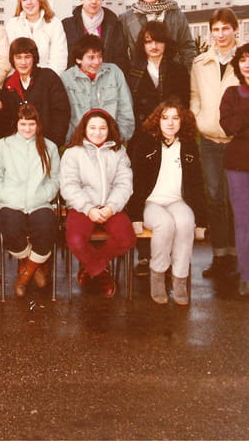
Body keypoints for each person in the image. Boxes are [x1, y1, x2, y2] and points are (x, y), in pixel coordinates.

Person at [128, 101, 207, 305]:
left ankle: (180, 280)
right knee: (165, 224)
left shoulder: (188, 144)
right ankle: (158, 277)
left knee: (185, 223)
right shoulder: (146, 143)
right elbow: (135, 181)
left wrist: (201, 220)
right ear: (158, 121)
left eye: (175, 118)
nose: (170, 123)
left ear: (182, 121)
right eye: (165, 118)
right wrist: (135, 216)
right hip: (151, 203)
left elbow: (197, 182)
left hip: (177, 201)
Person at [60, 109, 136, 298]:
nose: (97, 132)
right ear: (84, 129)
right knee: (75, 240)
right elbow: (69, 185)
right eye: (92, 127)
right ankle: (101, 273)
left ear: (109, 130)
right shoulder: (73, 153)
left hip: (111, 207)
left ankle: (89, 267)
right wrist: (88, 209)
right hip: (83, 208)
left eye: (102, 128)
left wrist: (111, 207)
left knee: (127, 238)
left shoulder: (118, 152)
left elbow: (124, 184)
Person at [0, 104, 60, 298]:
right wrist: (5, 195)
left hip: (39, 201)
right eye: (23, 124)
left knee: (46, 226)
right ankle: (34, 266)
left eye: (31, 124)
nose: (27, 128)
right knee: (10, 226)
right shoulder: (3, 145)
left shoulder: (49, 147)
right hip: (9, 201)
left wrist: (43, 195)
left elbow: (55, 179)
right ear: (16, 124)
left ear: (38, 125)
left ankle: (25, 276)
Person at [190, 8, 240, 278]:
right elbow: (195, 96)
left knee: (235, 198)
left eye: (225, 28)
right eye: (216, 29)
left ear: (235, 30)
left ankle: (237, 256)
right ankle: (220, 255)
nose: (220, 34)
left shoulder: (245, 61)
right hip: (209, 140)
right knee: (214, 196)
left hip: (237, 141)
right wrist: (199, 118)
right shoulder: (200, 63)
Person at [62, 34, 134, 143]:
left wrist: (119, 138)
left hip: (112, 141)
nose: (97, 62)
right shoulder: (66, 79)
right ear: (78, 59)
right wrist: (73, 141)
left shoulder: (114, 72)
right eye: (91, 57)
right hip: (78, 142)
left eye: (99, 56)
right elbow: (63, 116)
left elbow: (126, 109)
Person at [119, 0, 196, 71]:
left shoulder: (175, 14)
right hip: (139, 74)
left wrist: (189, 74)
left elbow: (187, 48)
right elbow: (120, 52)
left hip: (172, 73)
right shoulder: (126, 18)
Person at [2, 37, 71, 149]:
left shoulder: (48, 77)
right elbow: (7, 119)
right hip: (18, 146)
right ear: (12, 59)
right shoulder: (9, 83)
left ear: (34, 58)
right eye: (18, 57)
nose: (23, 62)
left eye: (27, 57)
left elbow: (61, 113)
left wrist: (52, 144)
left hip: (47, 144)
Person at [220, 43, 249, 296]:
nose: (247, 64)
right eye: (243, 59)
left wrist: (242, 122)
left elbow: (238, 124)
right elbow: (228, 126)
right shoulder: (231, 93)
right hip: (238, 165)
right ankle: (246, 276)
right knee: (243, 221)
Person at [127, 21, 190, 130]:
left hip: (170, 128)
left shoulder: (179, 70)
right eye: (148, 42)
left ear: (166, 43)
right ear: (142, 45)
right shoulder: (132, 71)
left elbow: (184, 103)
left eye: (158, 41)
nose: (154, 46)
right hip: (141, 130)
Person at [62, 0, 129, 72]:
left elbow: (121, 57)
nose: (94, 1)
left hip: (107, 76)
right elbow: (63, 57)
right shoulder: (67, 25)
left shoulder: (114, 25)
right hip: (76, 77)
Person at [6, 0, 68, 75]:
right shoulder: (13, 24)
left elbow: (59, 60)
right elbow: (10, 58)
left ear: (41, 0)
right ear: (20, 3)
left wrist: (45, 80)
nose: (29, 2)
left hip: (47, 79)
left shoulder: (54, 24)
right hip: (19, 78)